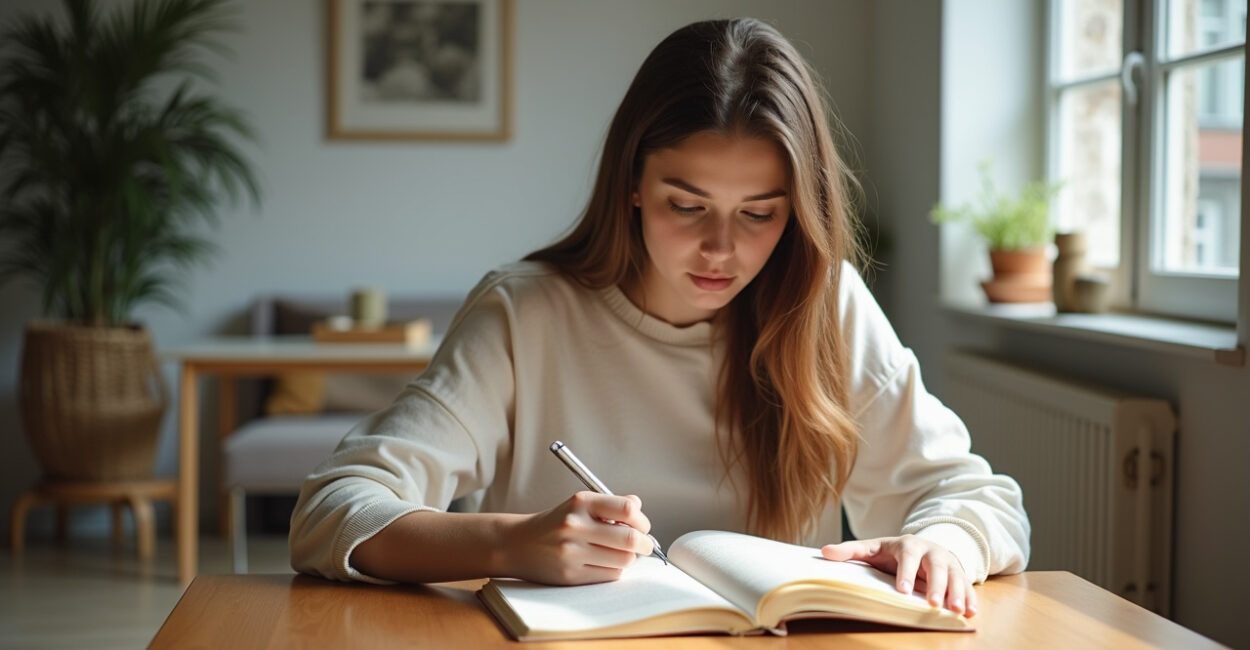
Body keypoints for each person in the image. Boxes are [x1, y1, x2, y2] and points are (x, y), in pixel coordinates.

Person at [289, 17, 1029, 619]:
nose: (722, 248)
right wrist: (510, 544)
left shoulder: (824, 305)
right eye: (687, 205)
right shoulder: (527, 312)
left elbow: (982, 498)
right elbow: (332, 511)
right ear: (633, 184)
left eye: (760, 214)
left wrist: (948, 544)